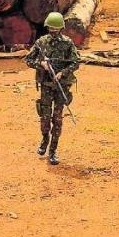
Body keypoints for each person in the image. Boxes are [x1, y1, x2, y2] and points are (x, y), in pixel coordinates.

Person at [24, 12, 80, 165]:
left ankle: (53, 150)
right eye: (51, 29)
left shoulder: (67, 43)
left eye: (56, 29)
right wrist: (41, 65)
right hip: (46, 86)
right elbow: (28, 59)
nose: (53, 32)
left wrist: (62, 73)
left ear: (61, 29)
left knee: (57, 119)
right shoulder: (41, 43)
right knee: (45, 117)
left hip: (61, 86)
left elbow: (76, 62)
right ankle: (44, 139)